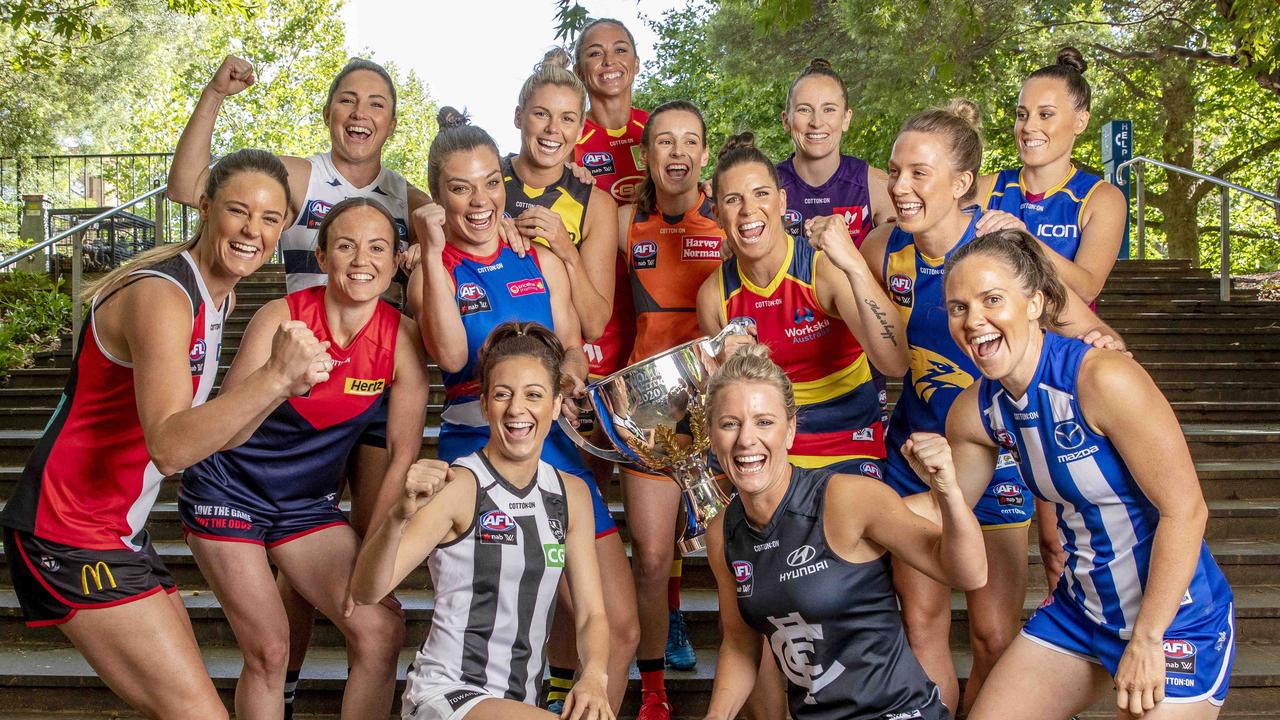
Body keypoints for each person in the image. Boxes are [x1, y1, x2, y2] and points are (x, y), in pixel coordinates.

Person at [0, 149, 330, 719]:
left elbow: (221, 433)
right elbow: (172, 446)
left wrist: (280, 389)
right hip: (68, 529)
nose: (254, 230)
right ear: (204, 207)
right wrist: (274, 375)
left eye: (271, 218)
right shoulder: (164, 294)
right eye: (238, 211)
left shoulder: (215, 293)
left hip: (115, 530)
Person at [166, 56, 433, 714]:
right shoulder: (299, 189)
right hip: (247, 460)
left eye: (376, 102)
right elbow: (191, 187)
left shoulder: (407, 200)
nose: (361, 113)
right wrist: (212, 97)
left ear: (394, 122)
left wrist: (444, 242)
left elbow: (471, 216)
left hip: (321, 466)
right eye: (348, 99)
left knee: (377, 622)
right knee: (272, 644)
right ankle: (277, 691)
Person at [858, 100, 1120, 711]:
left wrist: (1100, 354)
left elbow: (1088, 332)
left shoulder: (1003, 246)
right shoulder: (880, 248)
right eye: (895, 171)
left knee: (993, 634)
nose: (900, 187)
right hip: (915, 453)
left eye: (919, 173)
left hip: (997, 456)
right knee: (921, 627)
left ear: (962, 183)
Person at [943, 230, 1235, 719]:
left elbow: (1186, 511)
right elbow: (939, 516)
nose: (974, 321)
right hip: (1082, 613)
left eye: (992, 299)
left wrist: (1147, 639)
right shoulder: (976, 411)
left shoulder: (1102, 378)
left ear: (1035, 302)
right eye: (958, 307)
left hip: (1174, 620)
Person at [699, 343, 986, 720]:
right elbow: (740, 643)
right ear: (711, 435)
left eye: (764, 421)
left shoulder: (846, 498)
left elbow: (970, 573)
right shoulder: (723, 532)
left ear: (791, 430)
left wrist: (947, 491)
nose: (746, 439)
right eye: (729, 423)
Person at [350, 321, 614, 720]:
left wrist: (594, 674)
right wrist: (397, 516)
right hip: (447, 695)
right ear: (485, 402)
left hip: (517, 704)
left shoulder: (570, 495)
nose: (517, 410)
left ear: (557, 405)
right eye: (503, 394)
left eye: (534, 395)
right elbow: (368, 591)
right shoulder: (461, 486)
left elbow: (593, 613)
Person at [502, 50, 639, 712]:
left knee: (609, 618)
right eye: (540, 115)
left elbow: (594, 314)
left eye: (565, 119)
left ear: (581, 127)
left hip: (564, 403)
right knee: (542, 605)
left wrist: (559, 239)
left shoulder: (592, 200)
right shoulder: (485, 183)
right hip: (496, 414)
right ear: (519, 117)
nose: (551, 130)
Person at [698, 131, 907, 474]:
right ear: (718, 213)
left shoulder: (822, 268)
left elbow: (895, 362)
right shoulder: (713, 294)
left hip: (843, 440)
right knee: (715, 520)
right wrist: (720, 370)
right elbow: (721, 405)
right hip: (763, 447)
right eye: (734, 200)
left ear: (781, 202)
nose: (749, 209)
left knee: (832, 519)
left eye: (761, 194)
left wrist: (854, 264)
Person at [615, 99, 723, 719]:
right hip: (649, 412)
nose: (677, 153)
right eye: (663, 142)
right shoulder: (628, 222)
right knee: (653, 557)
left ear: (704, 154)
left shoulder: (734, 221)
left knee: (726, 556)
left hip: (719, 412)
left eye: (689, 141)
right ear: (646, 154)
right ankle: (653, 694)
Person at [976, 47, 1127, 306]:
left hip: (1065, 340)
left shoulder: (1102, 198)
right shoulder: (987, 187)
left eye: (1045, 114)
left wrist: (1025, 240)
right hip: (993, 339)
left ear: (1080, 121)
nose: (1028, 126)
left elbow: (1087, 288)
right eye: (1022, 115)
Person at [777, 58, 894, 245]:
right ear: (786, 120)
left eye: (829, 109)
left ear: (846, 118)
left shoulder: (875, 185)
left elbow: (900, 263)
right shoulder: (766, 187)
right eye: (804, 109)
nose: (816, 122)